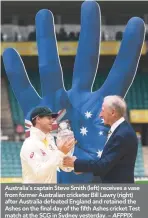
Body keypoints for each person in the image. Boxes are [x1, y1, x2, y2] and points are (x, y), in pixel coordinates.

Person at [63, 95, 138, 183]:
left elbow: (103, 165)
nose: (100, 115)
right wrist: (82, 168)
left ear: (113, 112)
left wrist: (76, 163)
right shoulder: (121, 130)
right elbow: (108, 163)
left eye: (102, 111)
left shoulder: (122, 134)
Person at [20, 106, 75, 183]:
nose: (52, 121)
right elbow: (39, 172)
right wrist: (60, 152)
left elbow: (63, 166)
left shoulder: (49, 141)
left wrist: (72, 162)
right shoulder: (30, 143)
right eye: (49, 118)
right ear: (38, 119)